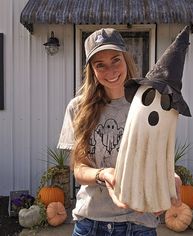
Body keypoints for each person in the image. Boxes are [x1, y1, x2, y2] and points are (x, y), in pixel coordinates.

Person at [57, 28, 182, 236]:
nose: (110, 70)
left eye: (116, 60)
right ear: (92, 70)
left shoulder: (150, 103)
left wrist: (169, 177)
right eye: (100, 65)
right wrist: (103, 174)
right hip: (91, 223)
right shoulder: (78, 108)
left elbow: (156, 158)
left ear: (126, 59)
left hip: (139, 223)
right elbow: (79, 170)